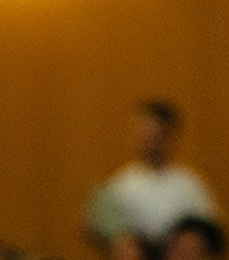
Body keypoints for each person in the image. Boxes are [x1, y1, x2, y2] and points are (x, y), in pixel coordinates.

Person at [85, 98, 220, 245]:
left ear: (169, 135)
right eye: (143, 133)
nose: (148, 140)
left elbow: (212, 232)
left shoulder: (188, 184)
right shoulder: (123, 182)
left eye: (154, 134)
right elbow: (97, 229)